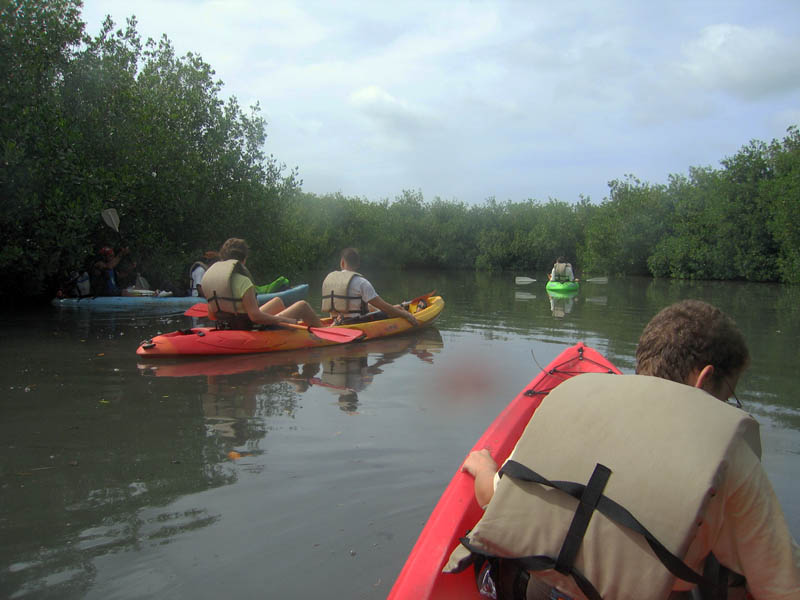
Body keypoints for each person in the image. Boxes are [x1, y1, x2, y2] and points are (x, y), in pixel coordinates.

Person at [459, 299, 800, 600]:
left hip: (545, 591)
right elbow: (782, 586)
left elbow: (495, 499)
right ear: (704, 378)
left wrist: (484, 467)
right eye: (728, 397)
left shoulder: (571, 401)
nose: (726, 407)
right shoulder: (730, 452)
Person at [201, 238, 322, 329]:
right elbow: (255, 317)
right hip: (249, 328)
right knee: (302, 305)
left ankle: (295, 328)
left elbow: (212, 316)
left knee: (277, 301)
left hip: (229, 325)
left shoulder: (213, 283)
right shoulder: (243, 282)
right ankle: (323, 332)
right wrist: (283, 320)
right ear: (244, 260)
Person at [321, 247, 418, 326]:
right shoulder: (361, 282)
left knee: (370, 306)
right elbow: (384, 307)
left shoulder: (329, 279)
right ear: (358, 264)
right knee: (398, 311)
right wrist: (406, 315)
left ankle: (399, 306)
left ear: (342, 262)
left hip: (336, 321)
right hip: (356, 323)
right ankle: (402, 309)